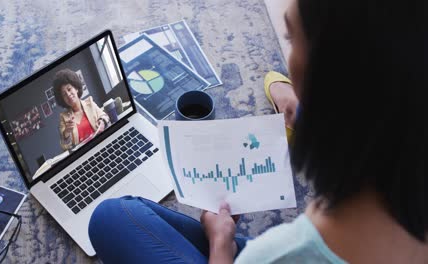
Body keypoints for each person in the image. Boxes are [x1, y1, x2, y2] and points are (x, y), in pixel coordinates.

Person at [88, 0, 428, 262]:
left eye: (291, 39)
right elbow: (273, 80)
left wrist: (222, 247)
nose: (288, 56)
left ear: (328, 75)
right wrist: (291, 96)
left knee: (109, 218)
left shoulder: (278, 254)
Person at [53, 69, 109, 151]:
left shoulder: (90, 103)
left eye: (69, 89)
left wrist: (102, 121)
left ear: (76, 88)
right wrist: (67, 132)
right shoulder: (63, 117)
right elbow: (65, 147)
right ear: (62, 99)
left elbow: (104, 116)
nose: (68, 94)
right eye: (64, 94)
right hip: (83, 154)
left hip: (101, 145)